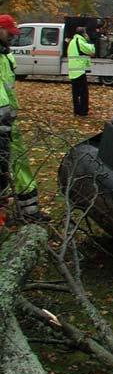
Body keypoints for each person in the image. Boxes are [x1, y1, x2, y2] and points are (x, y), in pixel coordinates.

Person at [0, 14, 41, 221]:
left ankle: (29, 210)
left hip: (8, 123)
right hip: (2, 123)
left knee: (19, 163)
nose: (12, 37)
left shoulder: (6, 56)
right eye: (9, 33)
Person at [67, 25, 96, 116]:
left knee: (75, 93)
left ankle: (77, 110)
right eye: (85, 33)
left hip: (73, 71)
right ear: (83, 34)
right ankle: (83, 111)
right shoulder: (80, 42)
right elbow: (92, 50)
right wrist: (89, 40)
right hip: (79, 71)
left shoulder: (72, 42)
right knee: (84, 93)